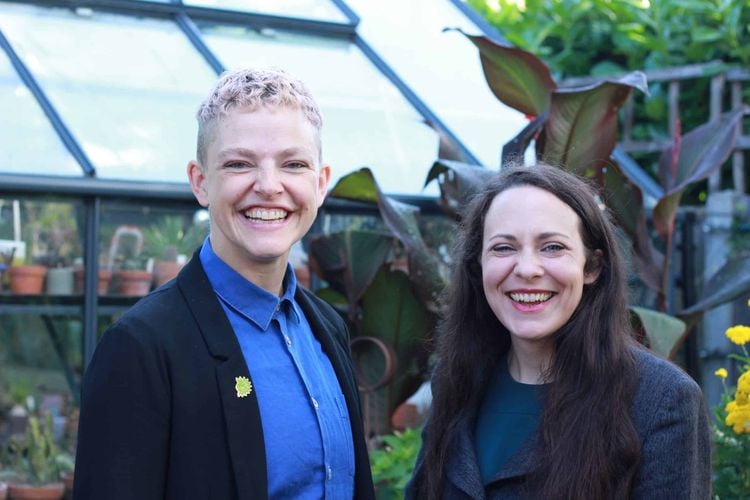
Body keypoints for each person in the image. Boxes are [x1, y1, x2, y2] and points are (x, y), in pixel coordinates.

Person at [74, 67, 375, 500]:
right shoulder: (142, 348)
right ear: (201, 182)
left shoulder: (326, 326)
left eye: (293, 164)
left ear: (321, 182)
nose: (269, 186)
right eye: (239, 164)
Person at [407, 164, 711, 499]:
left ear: (592, 266)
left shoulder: (660, 400)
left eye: (552, 247)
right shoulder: (456, 379)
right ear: (478, 265)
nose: (526, 269)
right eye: (503, 248)